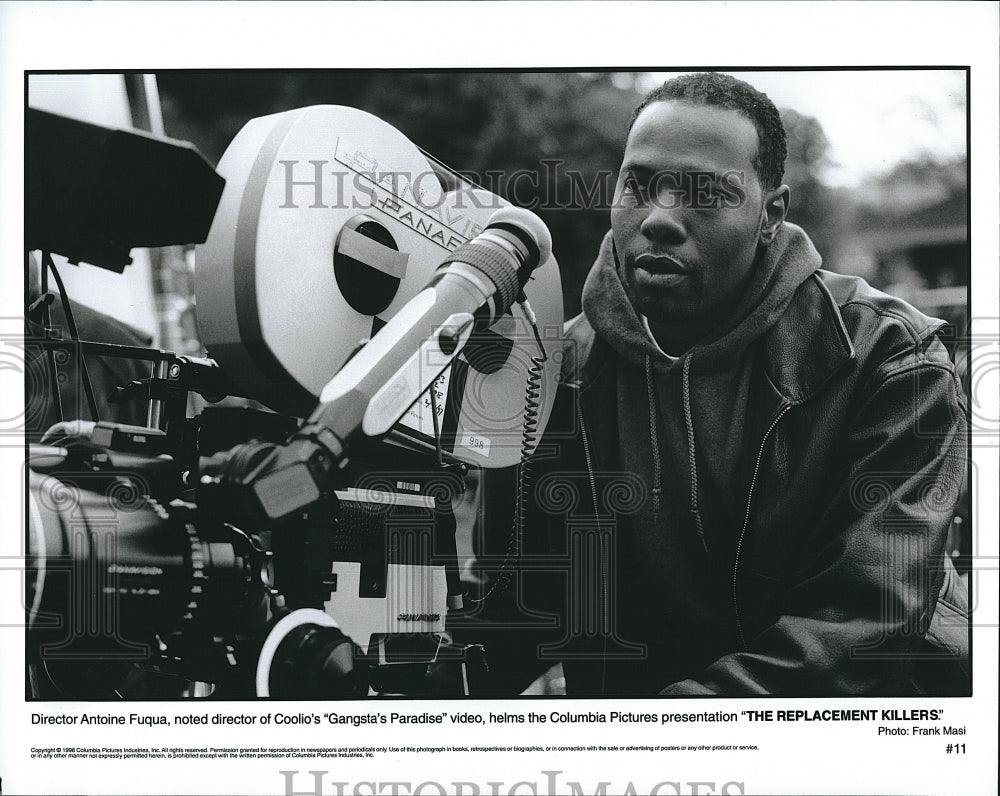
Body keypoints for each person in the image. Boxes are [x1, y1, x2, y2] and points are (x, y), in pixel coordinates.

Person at [475, 72, 969, 696]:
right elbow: (514, 614)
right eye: (639, 185)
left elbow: (867, 627)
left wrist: (656, 737)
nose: (658, 218)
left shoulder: (890, 361)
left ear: (772, 215)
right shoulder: (555, 370)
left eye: (704, 194)